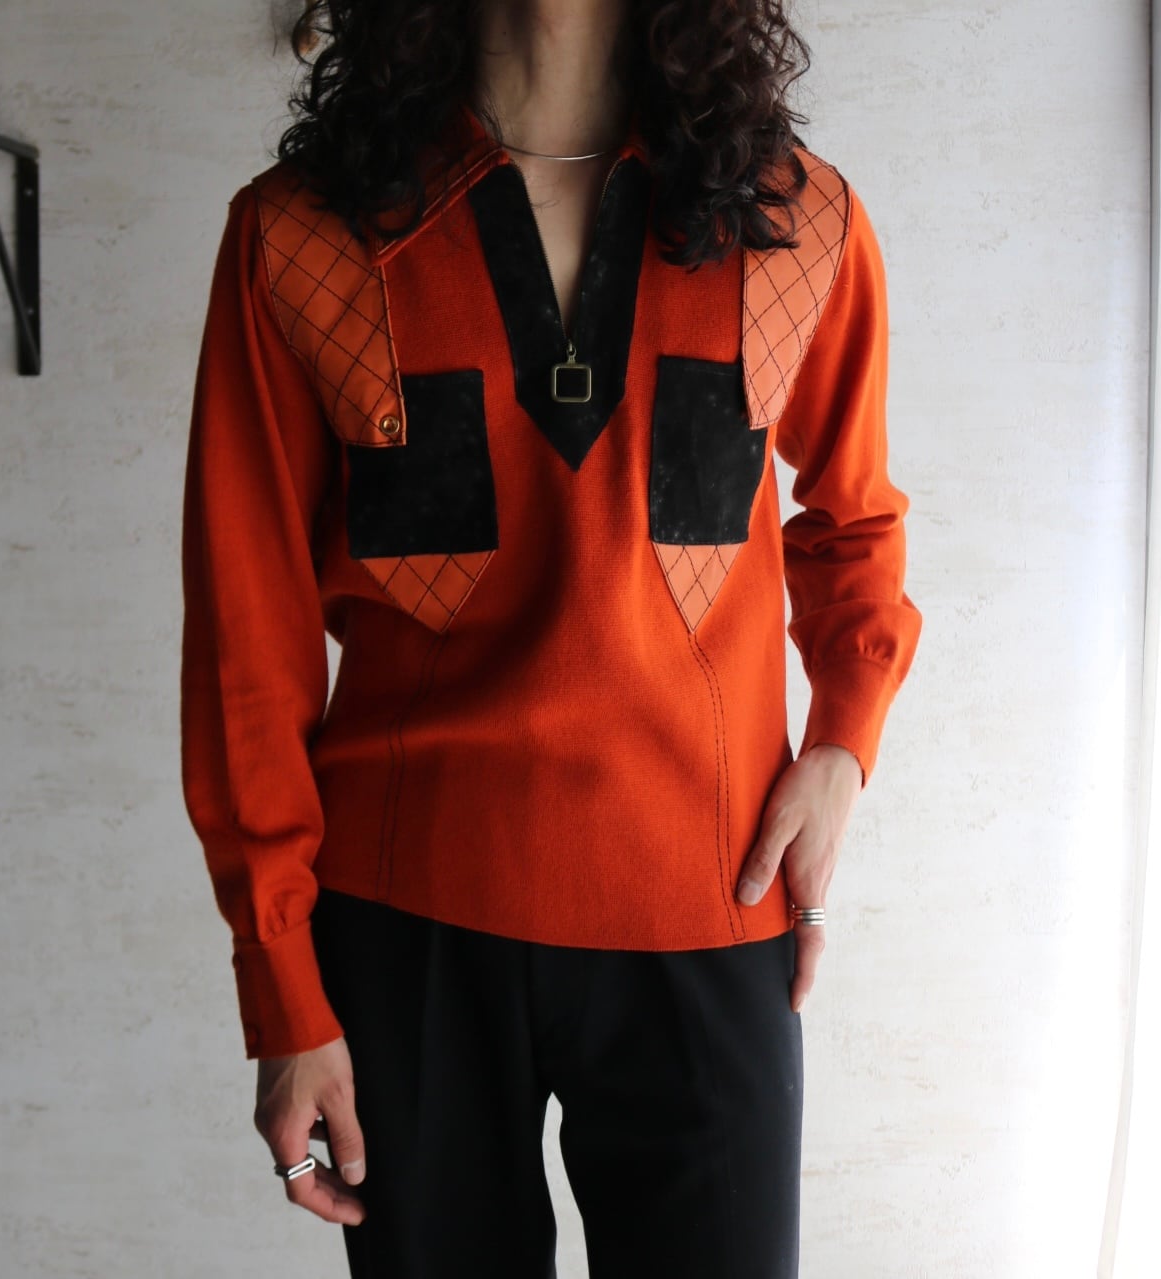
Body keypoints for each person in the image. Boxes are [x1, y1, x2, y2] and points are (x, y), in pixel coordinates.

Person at [179, 0, 922, 1274]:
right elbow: (246, 634)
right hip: (408, 927)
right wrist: (282, 983)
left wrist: (842, 744)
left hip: (708, 899)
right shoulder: (299, 234)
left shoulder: (795, 221)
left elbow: (852, 521)